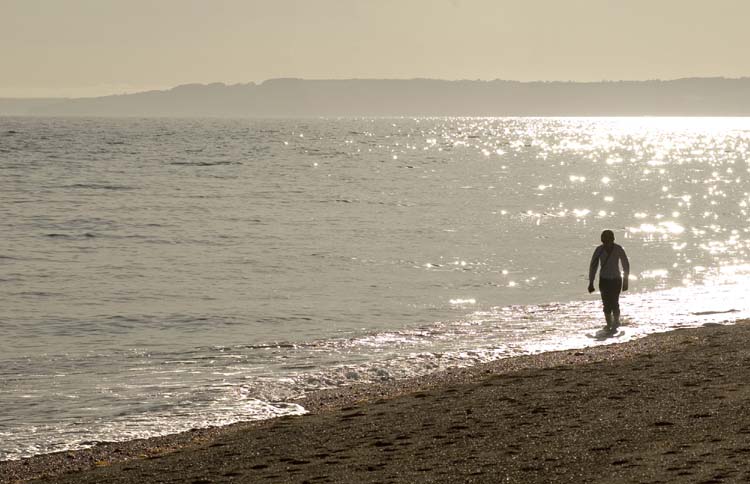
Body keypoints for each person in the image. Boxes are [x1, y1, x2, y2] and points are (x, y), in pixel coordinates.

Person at [588, 230, 630, 331]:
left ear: (612, 240)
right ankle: (608, 324)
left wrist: (625, 281)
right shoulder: (599, 250)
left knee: (615, 302)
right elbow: (593, 266)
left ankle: (616, 322)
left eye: (608, 241)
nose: (606, 244)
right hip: (604, 280)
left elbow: (625, 265)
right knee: (606, 303)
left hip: (616, 279)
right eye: (604, 241)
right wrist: (591, 282)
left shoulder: (618, 249)